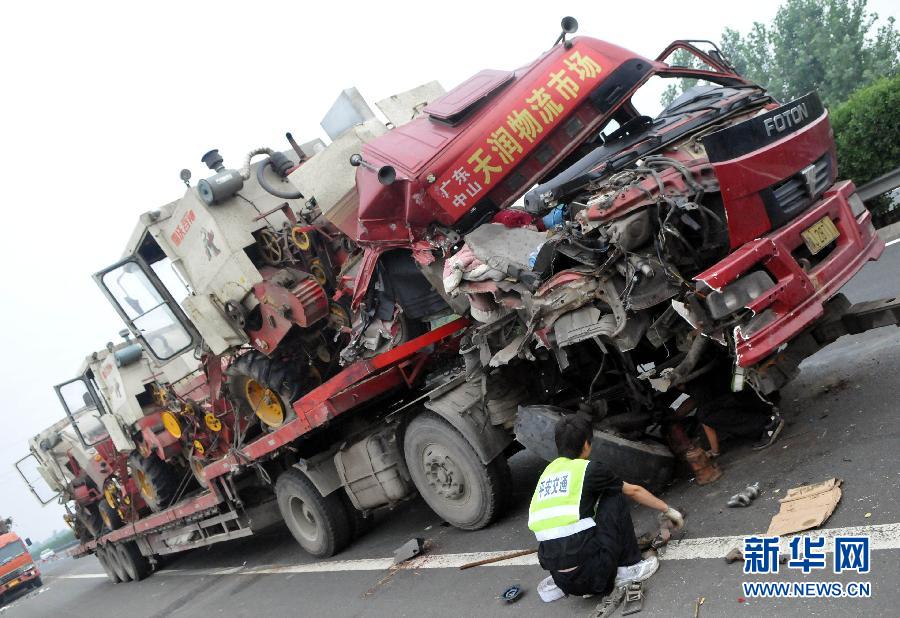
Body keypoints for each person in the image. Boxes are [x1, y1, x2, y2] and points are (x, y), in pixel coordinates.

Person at [528, 414, 684, 597]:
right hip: (594, 576)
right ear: (586, 444)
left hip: (562, 581)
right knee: (613, 493)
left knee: (587, 506)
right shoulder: (589, 470)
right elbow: (634, 491)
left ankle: (582, 575)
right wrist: (668, 509)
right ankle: (630, 567)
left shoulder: (547, 474)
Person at [674, 362, 784, 457]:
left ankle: (768, 425)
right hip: (761, 397)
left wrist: (714, 452)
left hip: (756, 403)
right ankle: (765, 417)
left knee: (705, 414)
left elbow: (704, 418)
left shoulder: (697, 388)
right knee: (711, 409)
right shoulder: (703, 375)